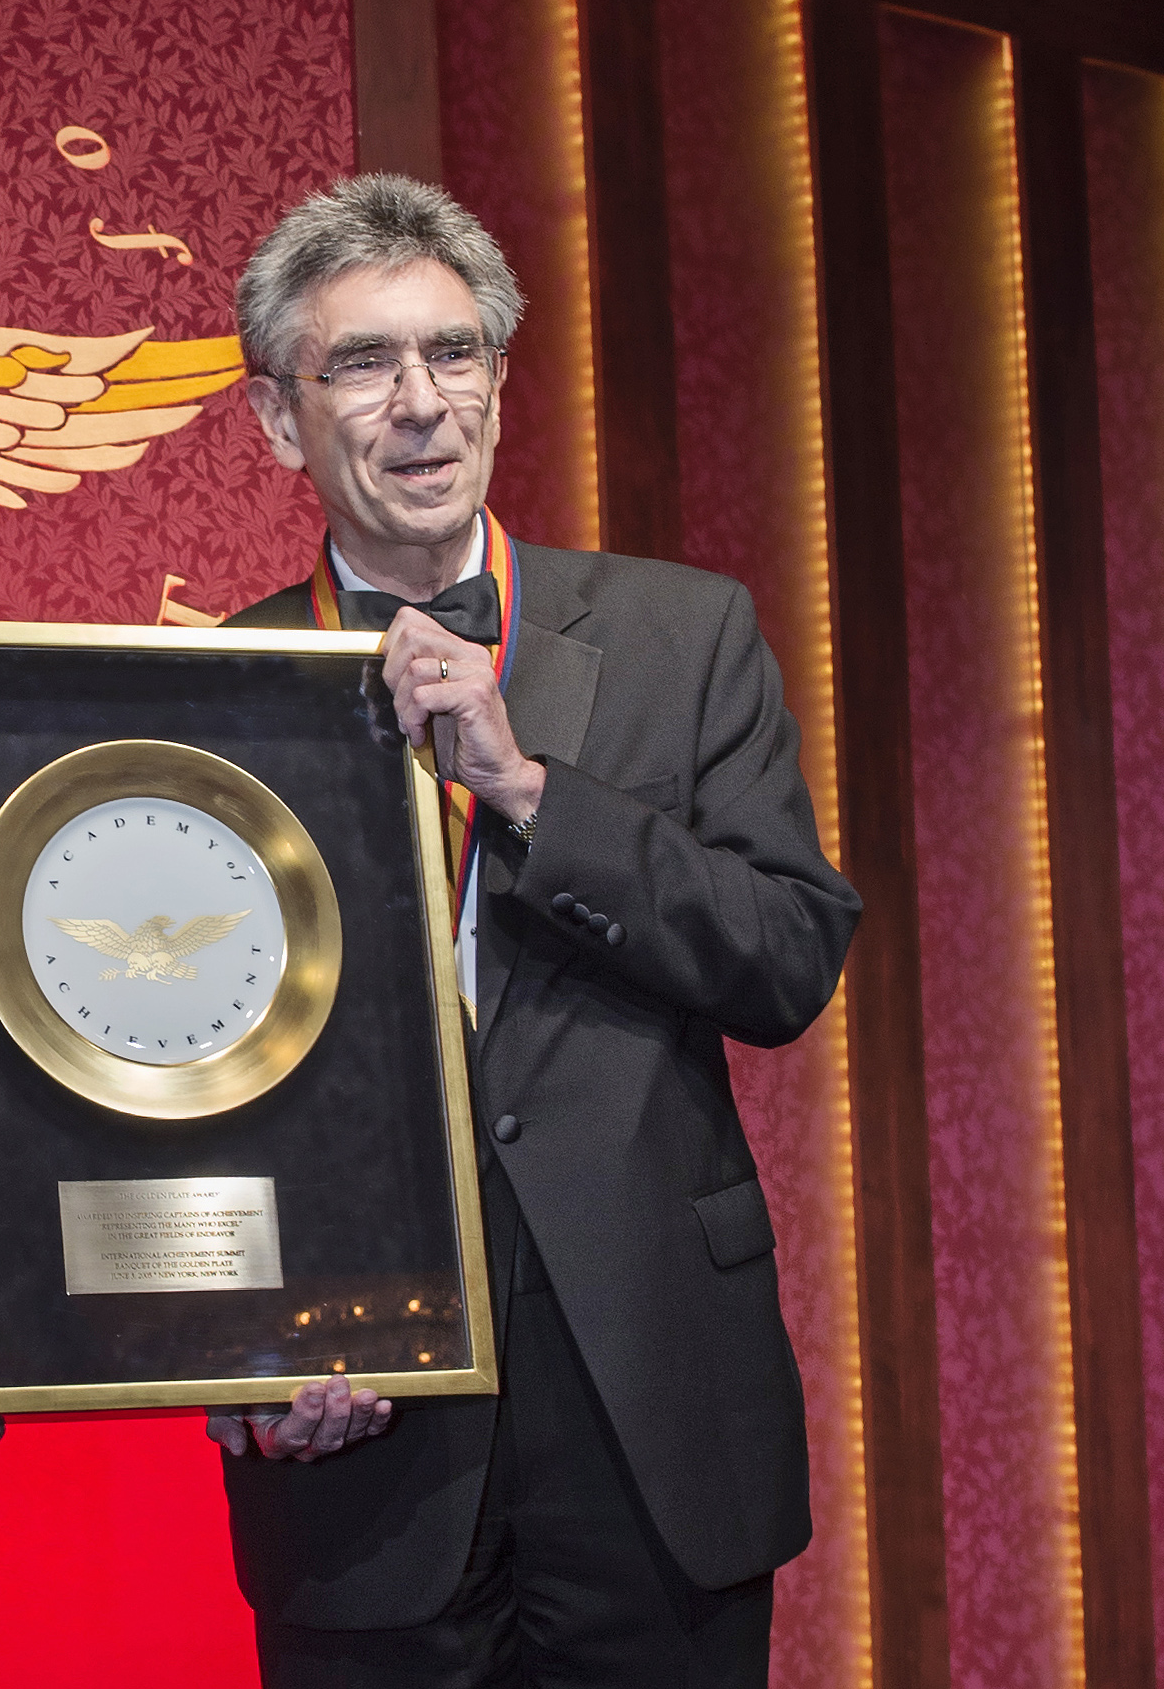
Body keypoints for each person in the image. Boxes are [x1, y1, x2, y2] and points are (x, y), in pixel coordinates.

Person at [213, 173, 860, 1686]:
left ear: (501, 384)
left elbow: (787, 953)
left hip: (651, 1398)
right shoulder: (209, 684)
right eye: (363, 363)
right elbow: (164, 1051)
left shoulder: (681, 637)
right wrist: (236, 1338)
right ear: (272, 418)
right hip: (352, 1413)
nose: (420, 403)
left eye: (455, 354)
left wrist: (527, 790)